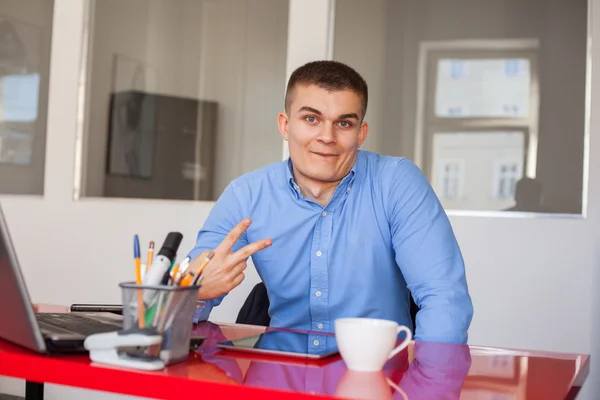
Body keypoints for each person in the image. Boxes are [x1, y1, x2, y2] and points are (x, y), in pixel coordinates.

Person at [186, 60, 473, 344]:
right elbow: (173, 303)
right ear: (285, 126)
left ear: (360, 134)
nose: (327, 137)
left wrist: (424, 386)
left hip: (378, 377)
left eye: (344, 123)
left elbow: (444, 299)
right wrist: (193, 293)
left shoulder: (396, 182)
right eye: (311, 119)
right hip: (279, 376)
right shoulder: (246, 195)